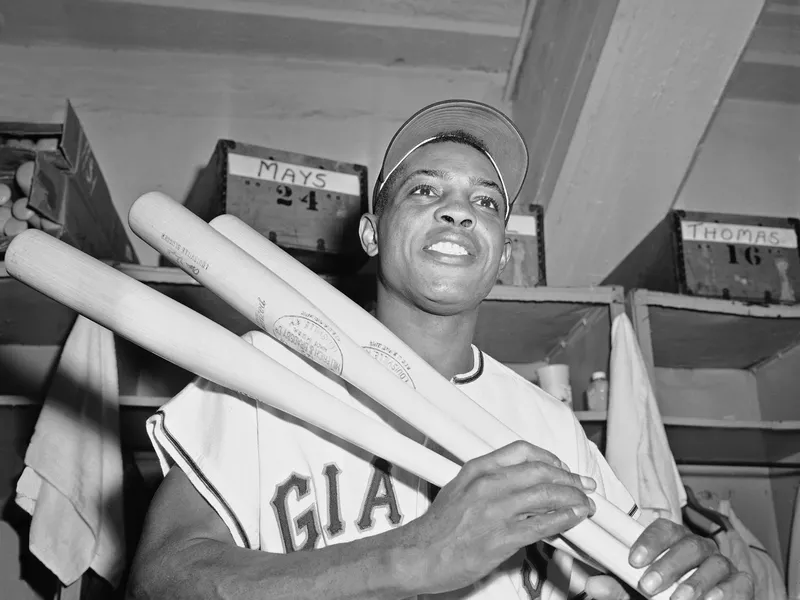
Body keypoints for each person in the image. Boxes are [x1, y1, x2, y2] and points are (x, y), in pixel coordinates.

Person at [126, 99, 753, 600]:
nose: (458, 211)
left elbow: (633, 563)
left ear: (504, 252)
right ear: (371, 233)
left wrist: (684, 579)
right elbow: (159, 583)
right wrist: (409, 560)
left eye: (484, 201)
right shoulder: (262, 373)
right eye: (426, 191)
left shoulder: (549, 425)